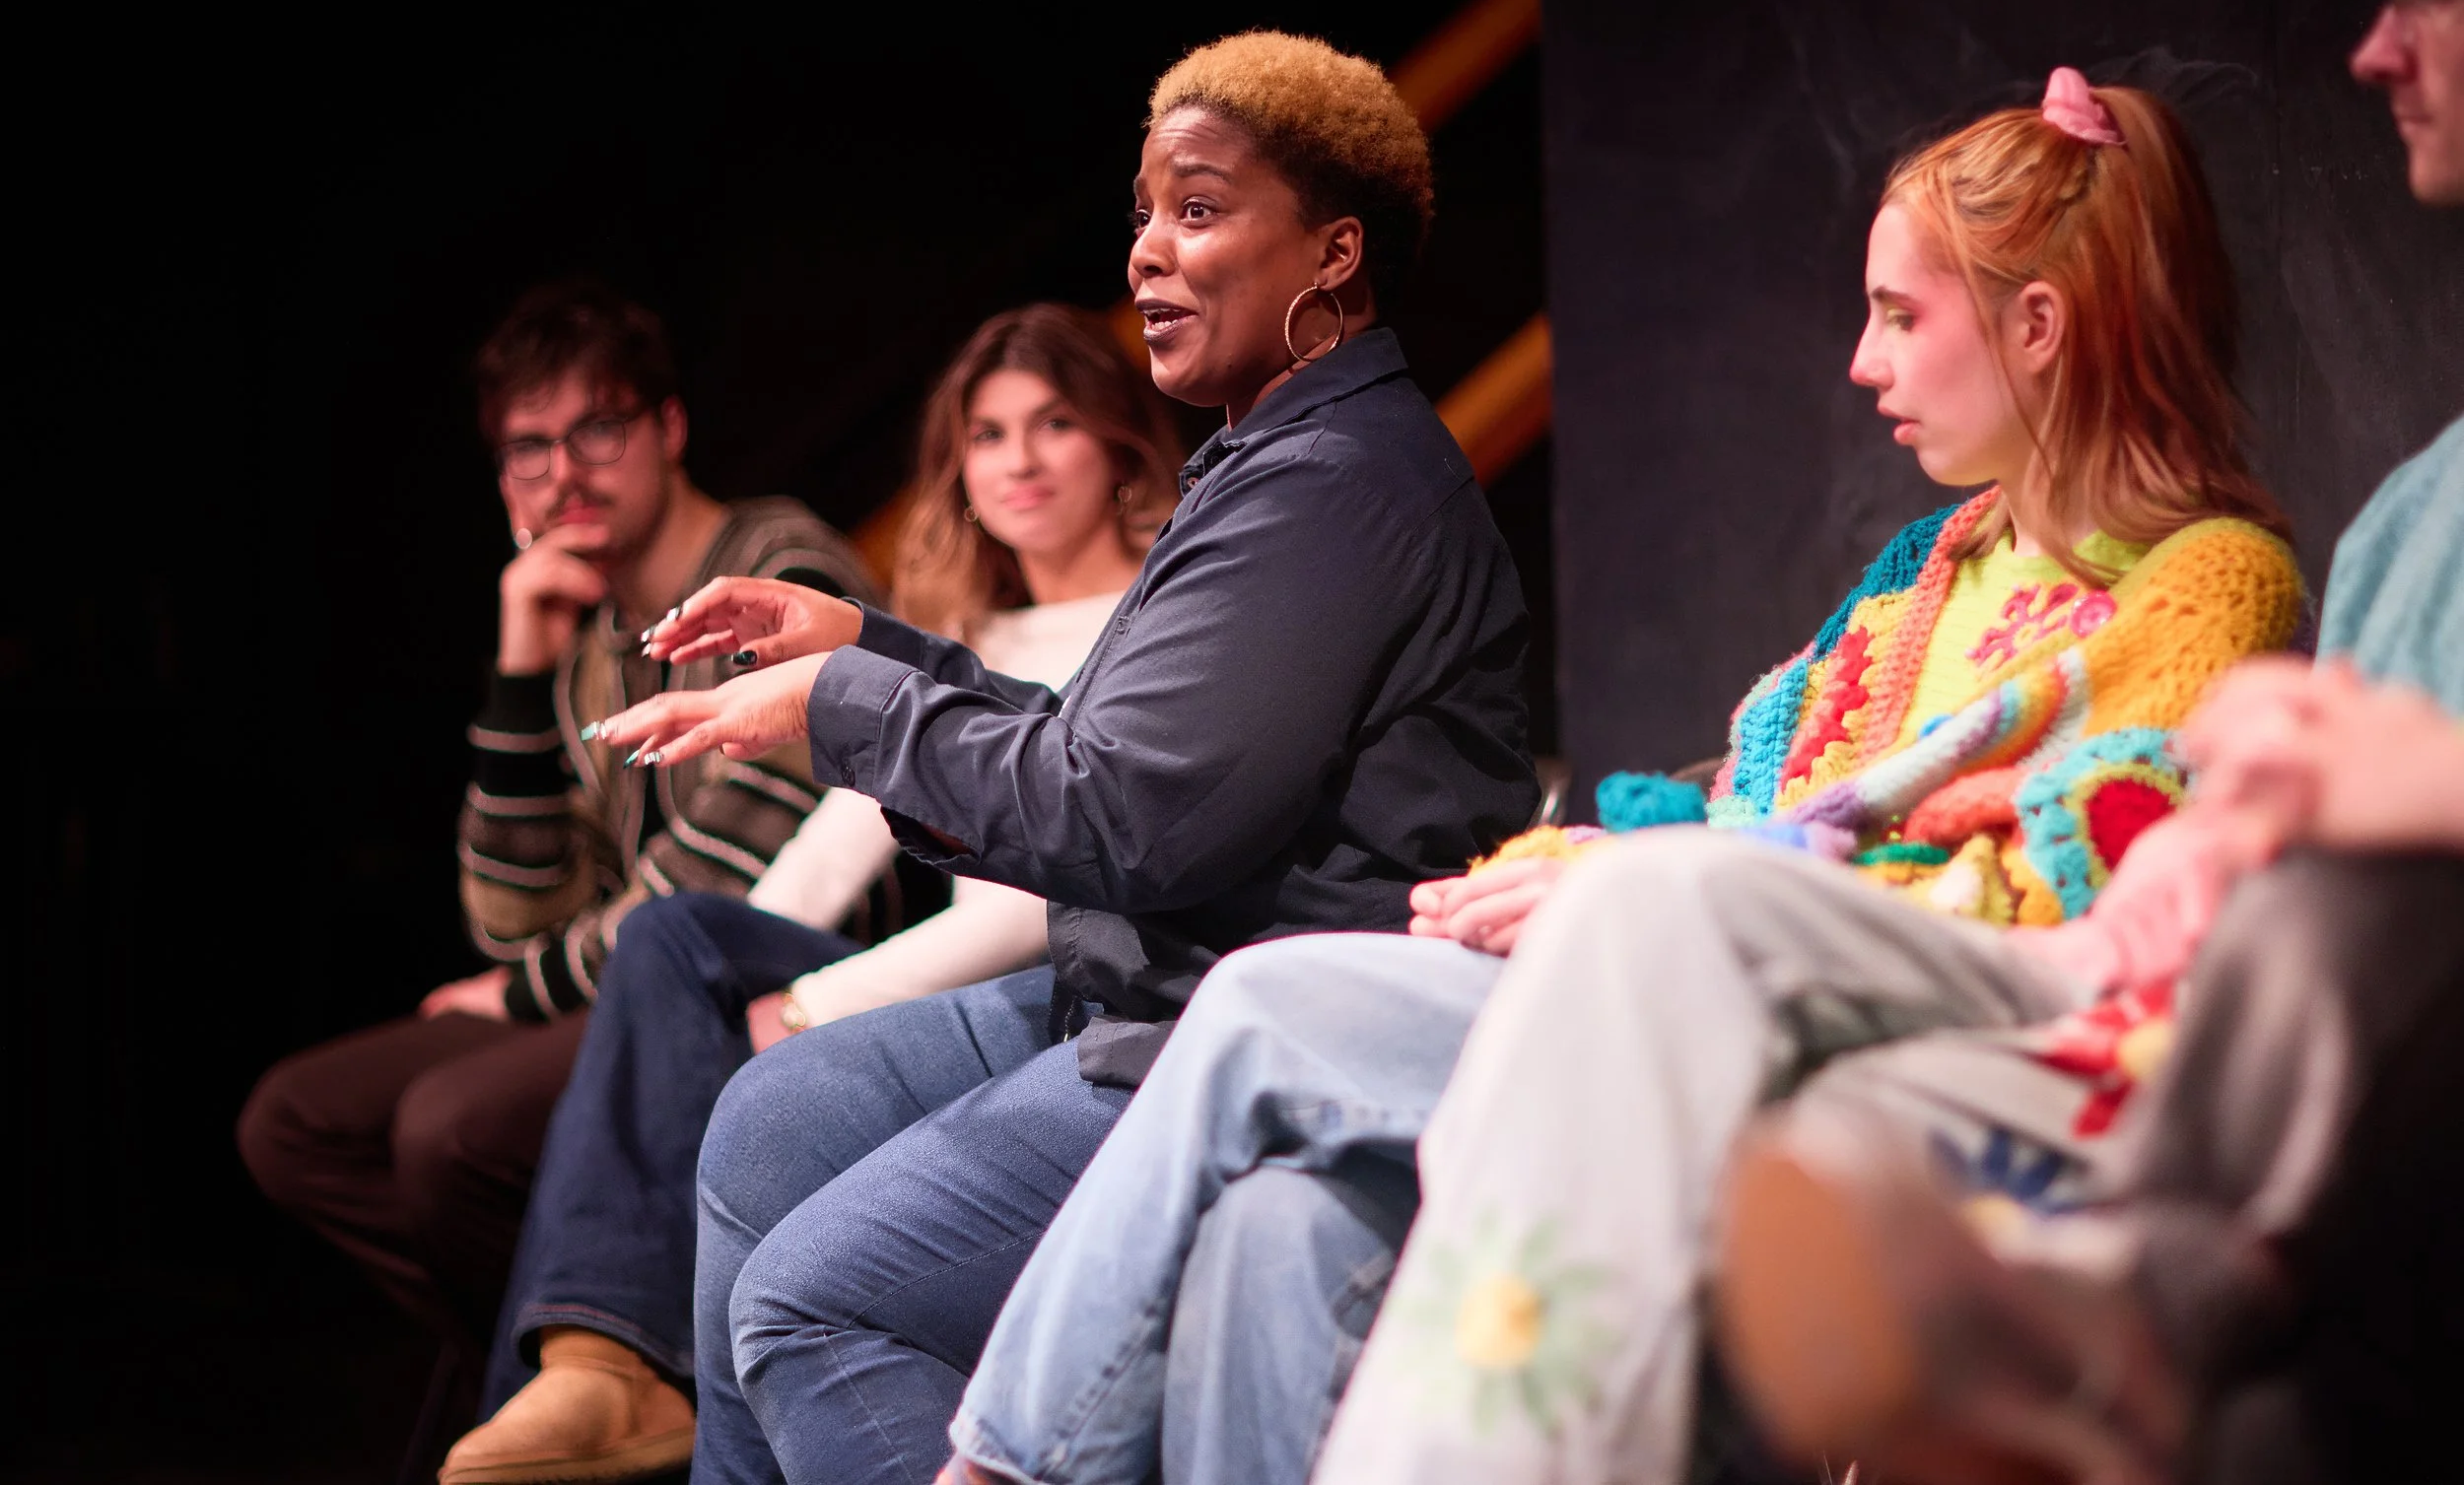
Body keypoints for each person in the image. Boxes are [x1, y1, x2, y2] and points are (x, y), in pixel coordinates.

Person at [946, 72, 2307, 1485]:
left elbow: (2054, 891)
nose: (1862, 360)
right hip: (1693, 959)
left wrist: (1670, 881)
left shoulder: (2210, 583)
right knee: (1267, 1153)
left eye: (1902, 315)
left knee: (1252, 1021)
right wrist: (1587, 866)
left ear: (2039, 326)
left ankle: (991, 1470)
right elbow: (1762, 804)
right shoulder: (1929, 567)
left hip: (1833, 1027)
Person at [589, 31, 1538, 1485]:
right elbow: (1096, 746)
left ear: (1335, 254)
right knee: (768, 1122)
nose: (1151, 254)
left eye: (1202, 212)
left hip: (1216, 1039)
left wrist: (842, 701)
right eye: (1145, 214)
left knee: (814, 1306)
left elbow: (1124, 818)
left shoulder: (1337, 489)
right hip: (1123, 988)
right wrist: (867, 645)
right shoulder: (1266, 460)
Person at [1715, 0, 2464, 1482]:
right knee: (1299, 1080)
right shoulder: (2418, 513)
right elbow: (1799, 772)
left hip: (2078, 999)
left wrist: (2374, 791)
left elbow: (2081, 842)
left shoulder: (2215, 574)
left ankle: (2121, 1294)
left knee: (2350, 907)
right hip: (2157, 1003)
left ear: (2039, 326)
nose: (2374, 48)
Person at [438, 304, 1182, 1485]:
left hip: (1030, 982)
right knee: (673, 948)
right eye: (989, 435)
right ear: (960, 468)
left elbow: (1032, 902)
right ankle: (592, 1369)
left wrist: (812, 1007)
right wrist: (744, 975)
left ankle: (598, 1375)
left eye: (1055, 426)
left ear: (1120, 450)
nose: (1022, 461)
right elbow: (834, 846)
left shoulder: (1150, 617)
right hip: (912, 971)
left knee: (658, 1005)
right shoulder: (968, 630)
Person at [237, 281, 876, 1369]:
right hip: (620, 985)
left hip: (770, 980)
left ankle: (617, 1360)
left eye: (596, 429)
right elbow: (511, 919)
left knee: (447, 1133)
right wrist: (523, 665)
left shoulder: (779, 568)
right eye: (528, 449)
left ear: (668, 428)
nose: (564, 474)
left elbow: (724, 874)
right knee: (293, 1124)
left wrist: (524, 991)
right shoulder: (588, 643)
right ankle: (589, 1355)